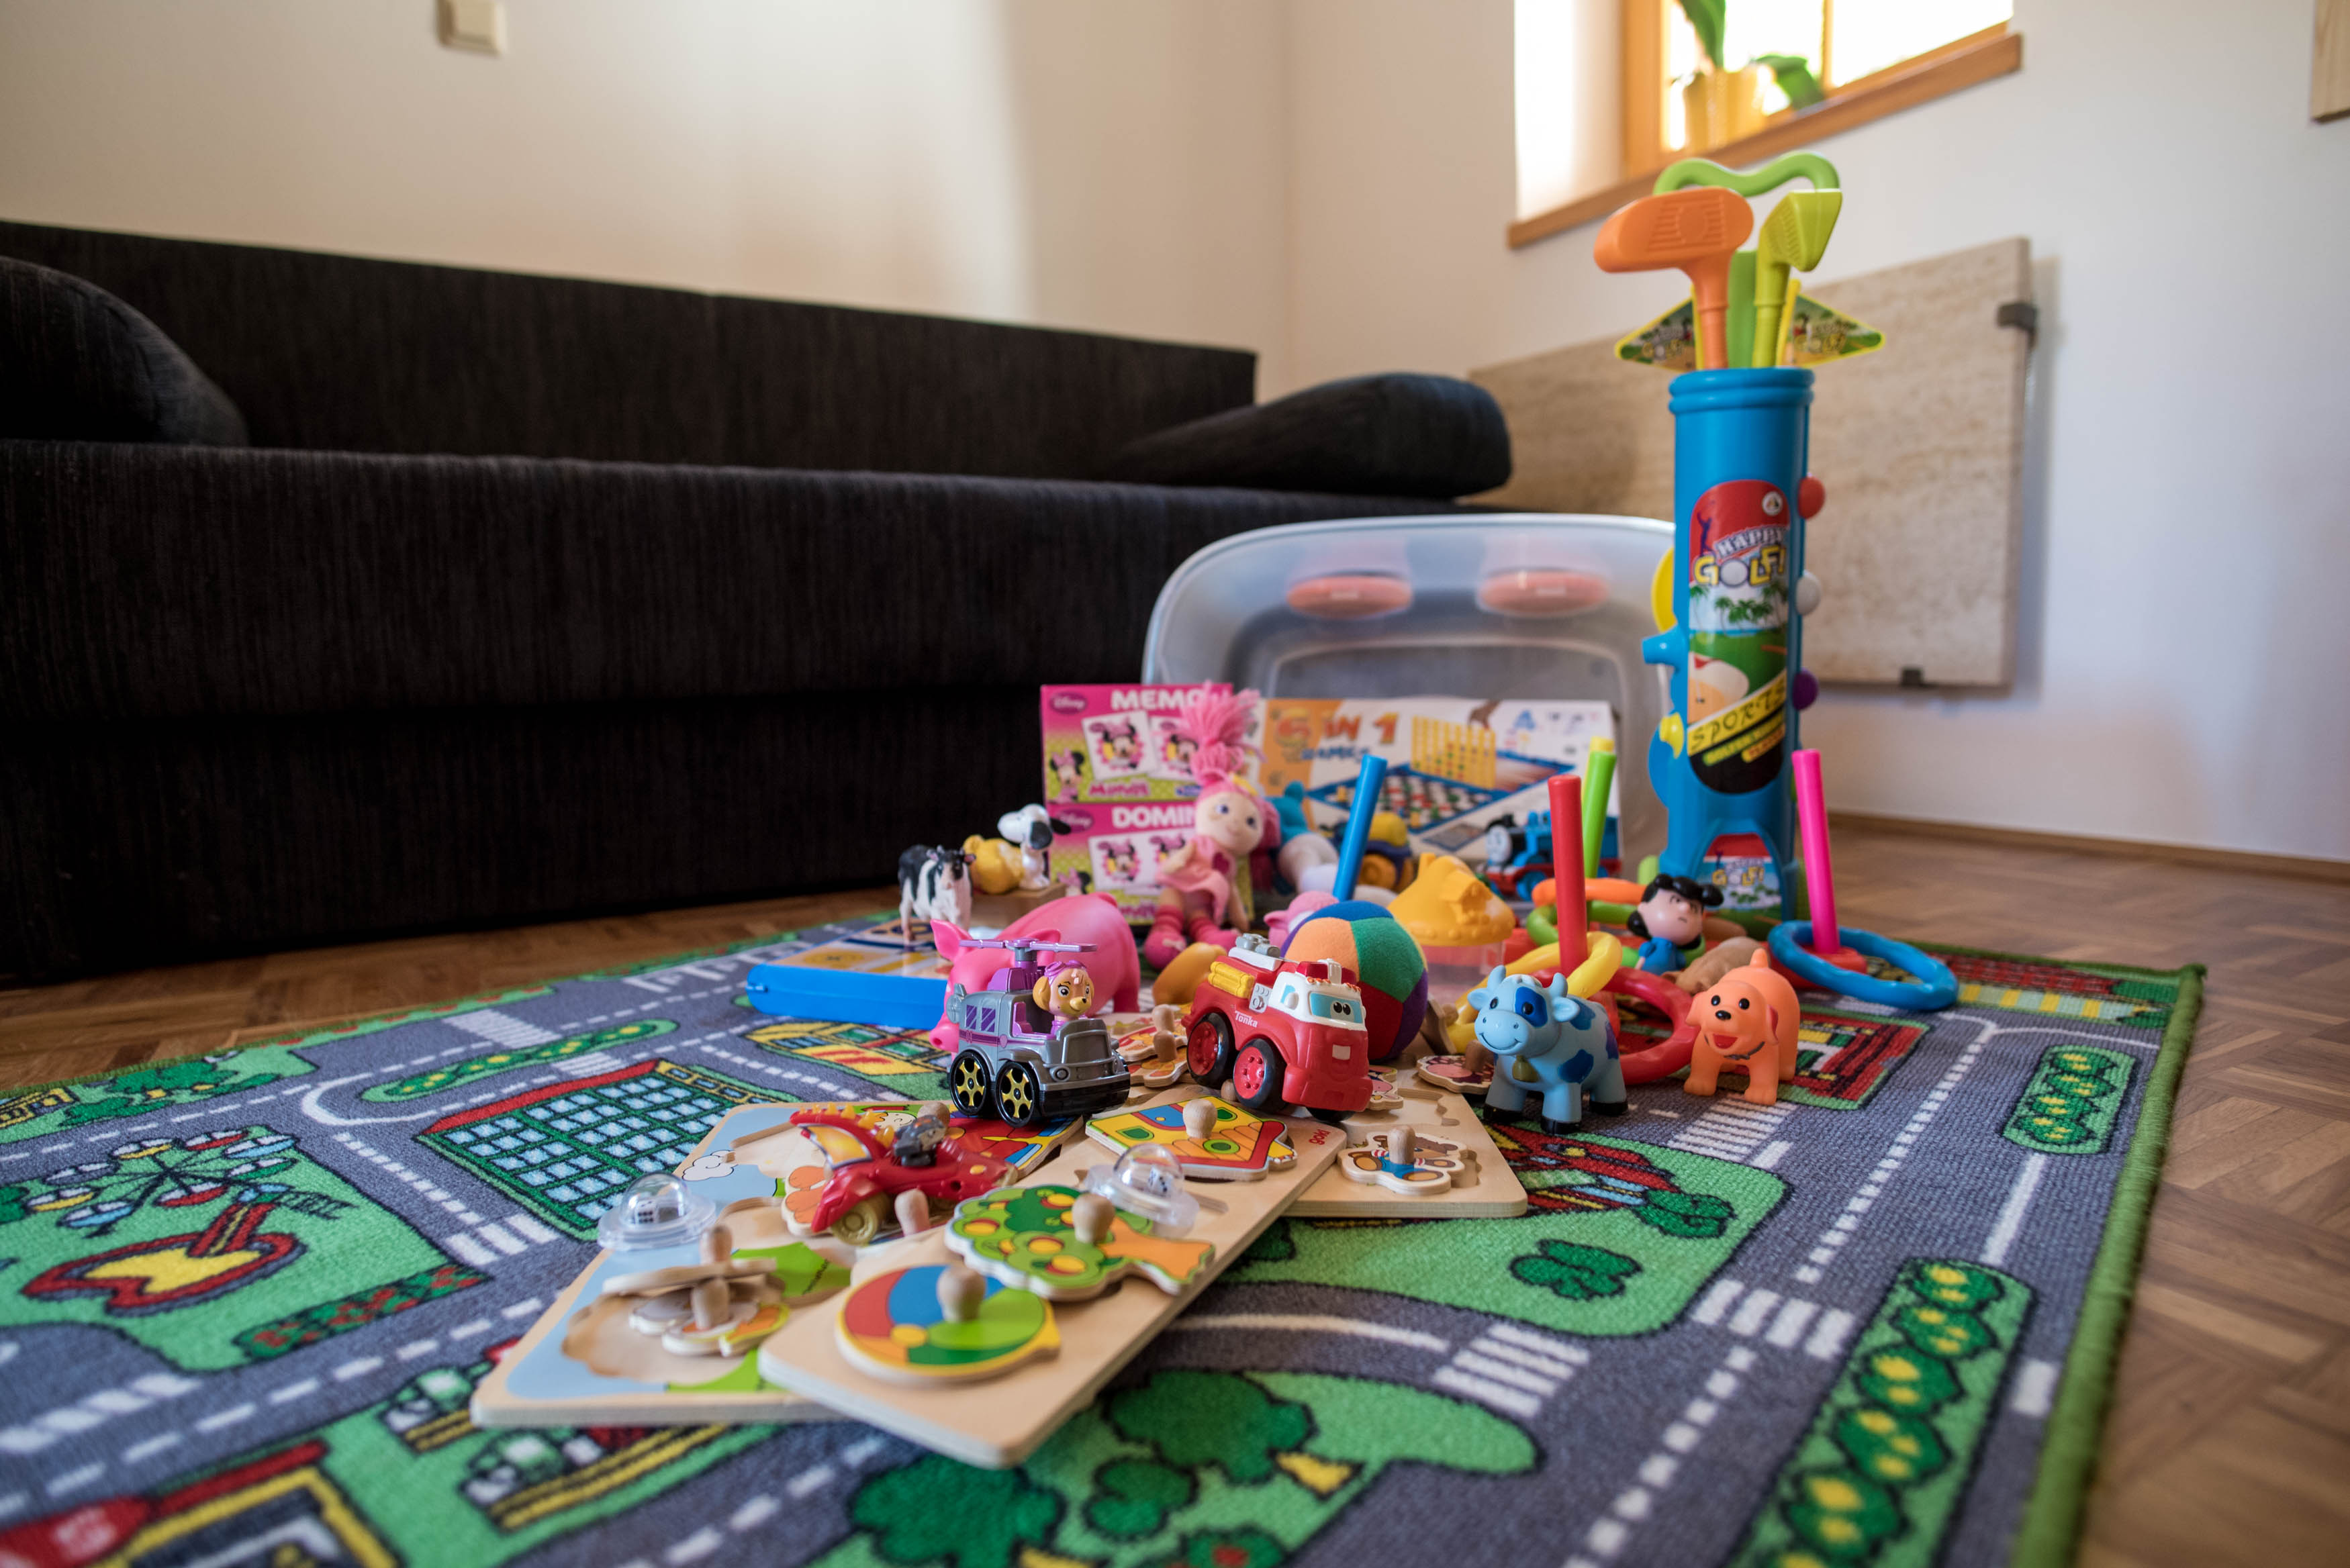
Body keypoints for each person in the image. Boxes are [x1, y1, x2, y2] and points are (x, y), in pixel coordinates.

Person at [1624, 873, 1724, 974]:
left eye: (1693, 908)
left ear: (1700, 927)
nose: (1686, 908)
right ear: (1643, 907)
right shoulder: (1649, 947)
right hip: (1646, 976)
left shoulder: (1678, 955)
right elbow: (1641, 958)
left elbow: (1684, 962)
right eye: (1676, 900)